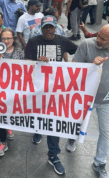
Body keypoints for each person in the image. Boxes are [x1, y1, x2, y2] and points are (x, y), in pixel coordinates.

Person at [66, 24, 109, 178]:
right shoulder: (87, 45)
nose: (97, 39)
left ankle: (100, 163)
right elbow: (73, 70)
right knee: (76, 123)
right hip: (84, 97)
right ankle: (72, 139)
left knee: (107, 133)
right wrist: (91, 66)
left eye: (103, 39)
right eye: (98, 35)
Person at [25, 15, 78, 175]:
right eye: (45, 27)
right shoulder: (33, 42)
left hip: (56, 89)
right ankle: (37, 130)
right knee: (38, 114)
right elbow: (26, 62)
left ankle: (53, 155)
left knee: (54, 120)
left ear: (56, 27)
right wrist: (36, 62)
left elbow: (79, 51)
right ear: (41, 28)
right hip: (38, 87)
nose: (48, 30)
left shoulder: (63, 41)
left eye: (51, 27)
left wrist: (76, 65)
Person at [0, 28, 24, 157]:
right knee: (1, 114)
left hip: (13, 88)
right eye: (4, 38)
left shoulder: (19, 51)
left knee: (9, 112)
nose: (7, 41)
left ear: (13, 38)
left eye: (9, 38)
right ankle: (3, 142)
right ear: (0, 39)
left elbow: (22, 69)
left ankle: (8, 126)